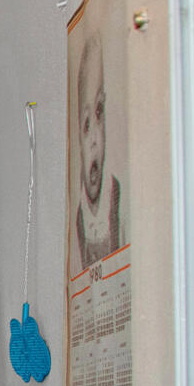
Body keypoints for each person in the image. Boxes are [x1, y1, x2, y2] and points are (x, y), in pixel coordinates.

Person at [74, 30, 123, 271]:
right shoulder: (79, 220)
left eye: (99, 112)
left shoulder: (117, 201)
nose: (94, 138)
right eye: (85, 125)